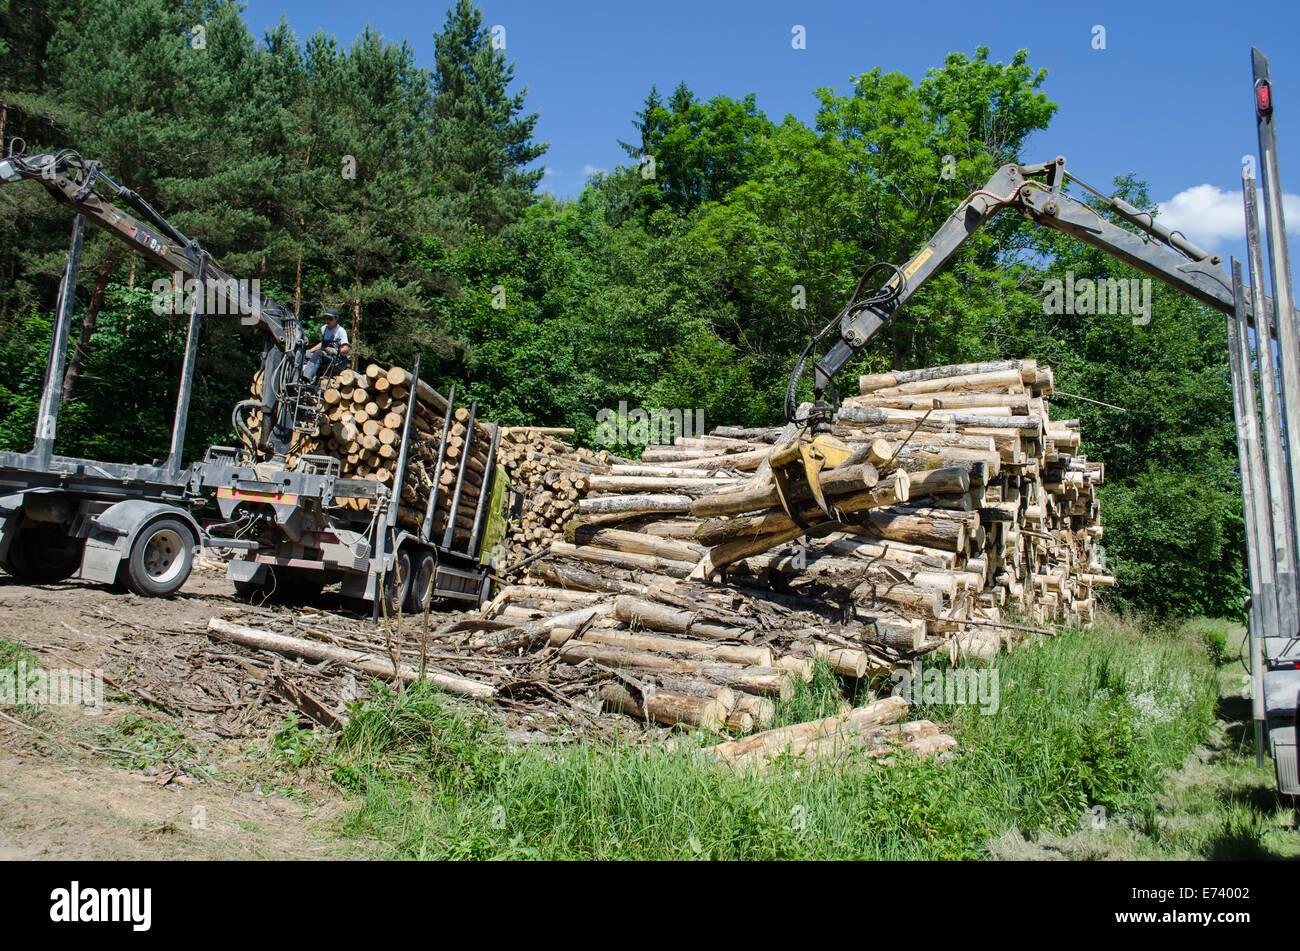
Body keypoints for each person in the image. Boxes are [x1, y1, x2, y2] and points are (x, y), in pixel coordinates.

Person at [302, 307, 350, 381]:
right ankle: (300, 375)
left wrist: (335, 351)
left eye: (330, 319)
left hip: (337, 359)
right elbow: (322, 344)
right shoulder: (324, 328)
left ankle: (306, 377)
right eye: (326, 318)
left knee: (318, 353)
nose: (327, 321)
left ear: (336, 319)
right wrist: (310, 351)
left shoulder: (341, 331)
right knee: (304, 355)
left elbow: (346, 349)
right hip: (324, 355)